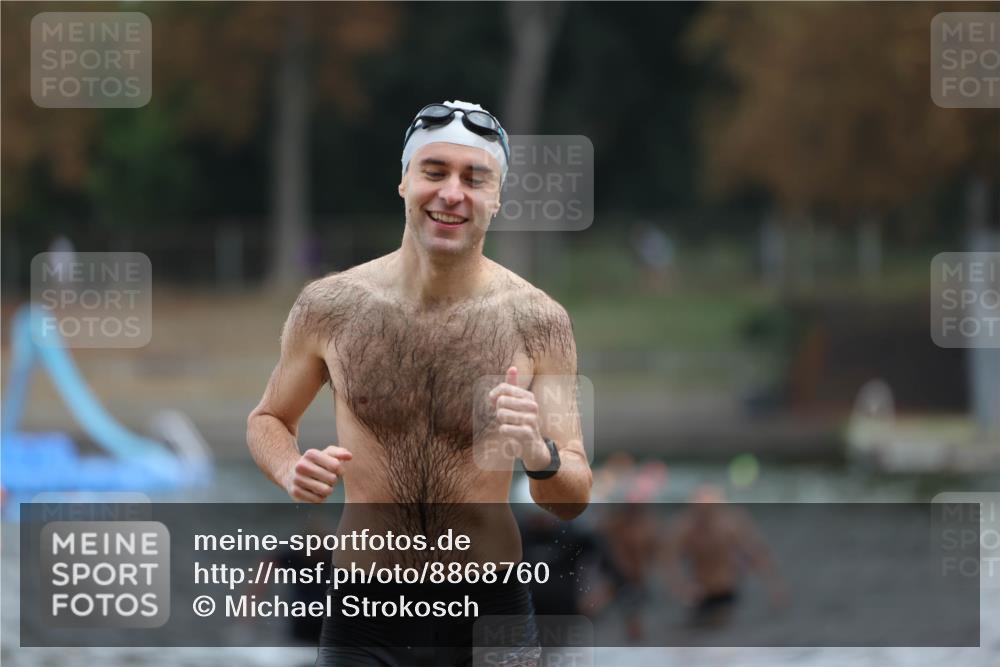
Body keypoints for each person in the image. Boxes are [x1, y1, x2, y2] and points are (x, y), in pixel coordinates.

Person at [246, 100, 592, 666]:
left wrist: (536, 451)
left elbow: (573, 496)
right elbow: (268, 419)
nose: (452, 193)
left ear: (497, 197)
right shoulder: (330, 306)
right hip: (365, 613)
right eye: (434, 172)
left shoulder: (538, 321)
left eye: (474, 177)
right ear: (404, 181)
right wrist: (289, 467)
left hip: (490, 610)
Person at [663, 485, 787, 628]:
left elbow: (755, 553)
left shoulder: (731, 523)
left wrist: (775, 585)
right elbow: (668, 560)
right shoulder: (684, 527)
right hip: (699, 592)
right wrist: (679, 587)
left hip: (726, 590)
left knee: (721, 628)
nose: (705, 511)